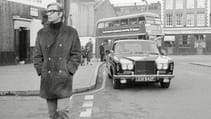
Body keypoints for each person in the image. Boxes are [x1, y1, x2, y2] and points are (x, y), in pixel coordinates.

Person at [33, 3, 81, 119]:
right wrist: (41, 70)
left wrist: (69, 70)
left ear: (60, 14)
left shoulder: (71, 32)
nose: (48, 14)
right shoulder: (41, 33)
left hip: (63, 79)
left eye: (52, 11)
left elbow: (76, 54)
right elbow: (37, 55)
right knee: (52, 115)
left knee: (63, 111)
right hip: (48, 79)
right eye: (48, 11)